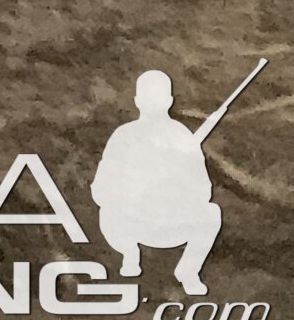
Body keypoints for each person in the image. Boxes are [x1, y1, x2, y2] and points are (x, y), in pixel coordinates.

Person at [93, 69, 226, 296]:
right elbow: (101, 188)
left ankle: (188, 271)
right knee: (107, 211)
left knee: (211, 213)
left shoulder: (182, 137)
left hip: (172, 225)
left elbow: (203, 190)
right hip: (131, 223)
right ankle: (130, 253)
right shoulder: (124, 136)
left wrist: (173, 189)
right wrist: (132, 191)